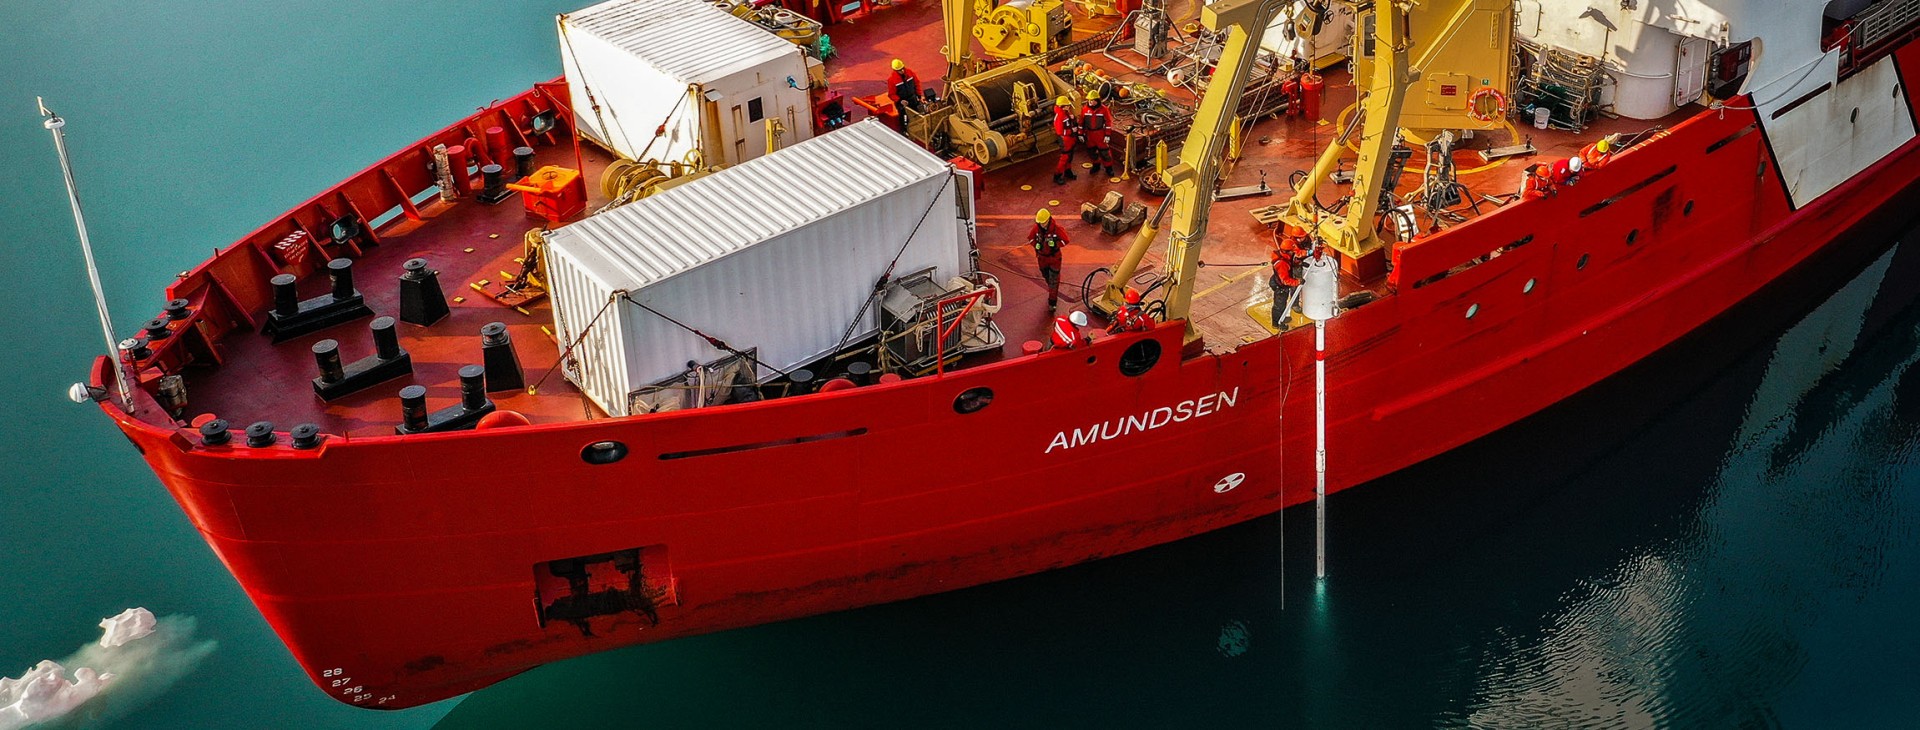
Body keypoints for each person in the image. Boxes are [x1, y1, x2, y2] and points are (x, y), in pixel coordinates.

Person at [1268, 225, 1308, 328]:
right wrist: (1297, 282)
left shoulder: (1285, 257)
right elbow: (1285, 280)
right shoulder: (1282, 264)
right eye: (1292, 251)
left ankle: (1281, 317)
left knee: (1282, 304)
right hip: (1280, 286)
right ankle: (1277, 324)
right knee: (1279, 305)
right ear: (1287, 251)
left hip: (1279, 283)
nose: (1293, 252)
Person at [1030, 208, 1069, 310]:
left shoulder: (1057, 229)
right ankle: (1051, 289)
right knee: (1046, 277)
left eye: (1043, 222)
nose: (1042, 224)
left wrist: (1056, 244)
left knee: (1053, 281)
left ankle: (1052, 302)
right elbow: (1030, 238)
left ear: (1048, 220)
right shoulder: (1036, 229)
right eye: (1040, 222)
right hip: (1042, 259)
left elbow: (1065, 240)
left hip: (1054, 259)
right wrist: (1036, 244)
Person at [1079, 90, 1115, 178]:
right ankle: (1096, 165)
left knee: (1105, 152)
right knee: (1091, 151)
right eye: (1089, 100)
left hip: (1100, 134)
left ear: (1097, 100)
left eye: (1092, 100)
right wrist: (1080, 134)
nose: (1090, 102)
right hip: (1089, 135)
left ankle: (1108, 168)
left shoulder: (1104, 109)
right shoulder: (1085, 109)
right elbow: (1081, 122)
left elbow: (1108, 123)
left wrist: (1107, 135)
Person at [1052, 95, 1080, 185]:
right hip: (1065, 140)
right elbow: (1060, 131)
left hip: (1070, 139)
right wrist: (1071, 130)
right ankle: (1057, 175)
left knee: (1070, 157)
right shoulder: (1059, 117)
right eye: (1067, 105)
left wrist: (1073, 119)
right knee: (1064, 158)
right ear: (1062, 107)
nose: (1069, 107)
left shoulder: (1066, 113)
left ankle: (1068, 172)